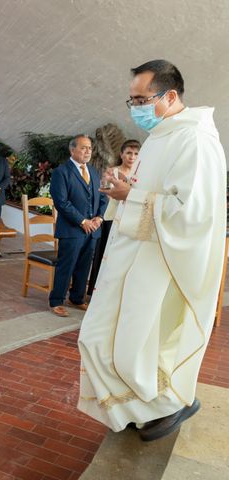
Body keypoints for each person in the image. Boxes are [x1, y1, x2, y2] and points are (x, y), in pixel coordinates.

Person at [78, 60, 226, 441]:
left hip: (162, 265)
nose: (135, 108)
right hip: (133, 257)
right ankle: (142, 407)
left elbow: (193, 212)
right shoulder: (161, 135)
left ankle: (165, 405)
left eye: (142, 99)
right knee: (101, 338)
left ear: (170, 95)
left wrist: (135, 195)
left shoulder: (195, 139)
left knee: (140, 344)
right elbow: (153, 189)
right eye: (131, 100)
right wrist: (126, 183)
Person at [49, 135, 107, 317]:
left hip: (93, 230)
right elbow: (61, 202)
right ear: (72, 150)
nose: (88, 151)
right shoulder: (61, 172)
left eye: (89, 148)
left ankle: (77, 298)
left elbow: (103, 197)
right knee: (66, 265)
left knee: (84, 266)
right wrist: (82, 221)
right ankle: (56, 301)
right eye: (83, 148)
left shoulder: (93, 171)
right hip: (72, 230)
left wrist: (99, 217)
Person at [87, 139, 140, 295]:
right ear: (121, 154)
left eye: (136, 154)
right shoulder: (112, 171)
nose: (132, 157)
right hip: (112, 217)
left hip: (131, 219)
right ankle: (96, 291)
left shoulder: (141, 173)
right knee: (105, 253)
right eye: (129, 153)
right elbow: (105, 194)